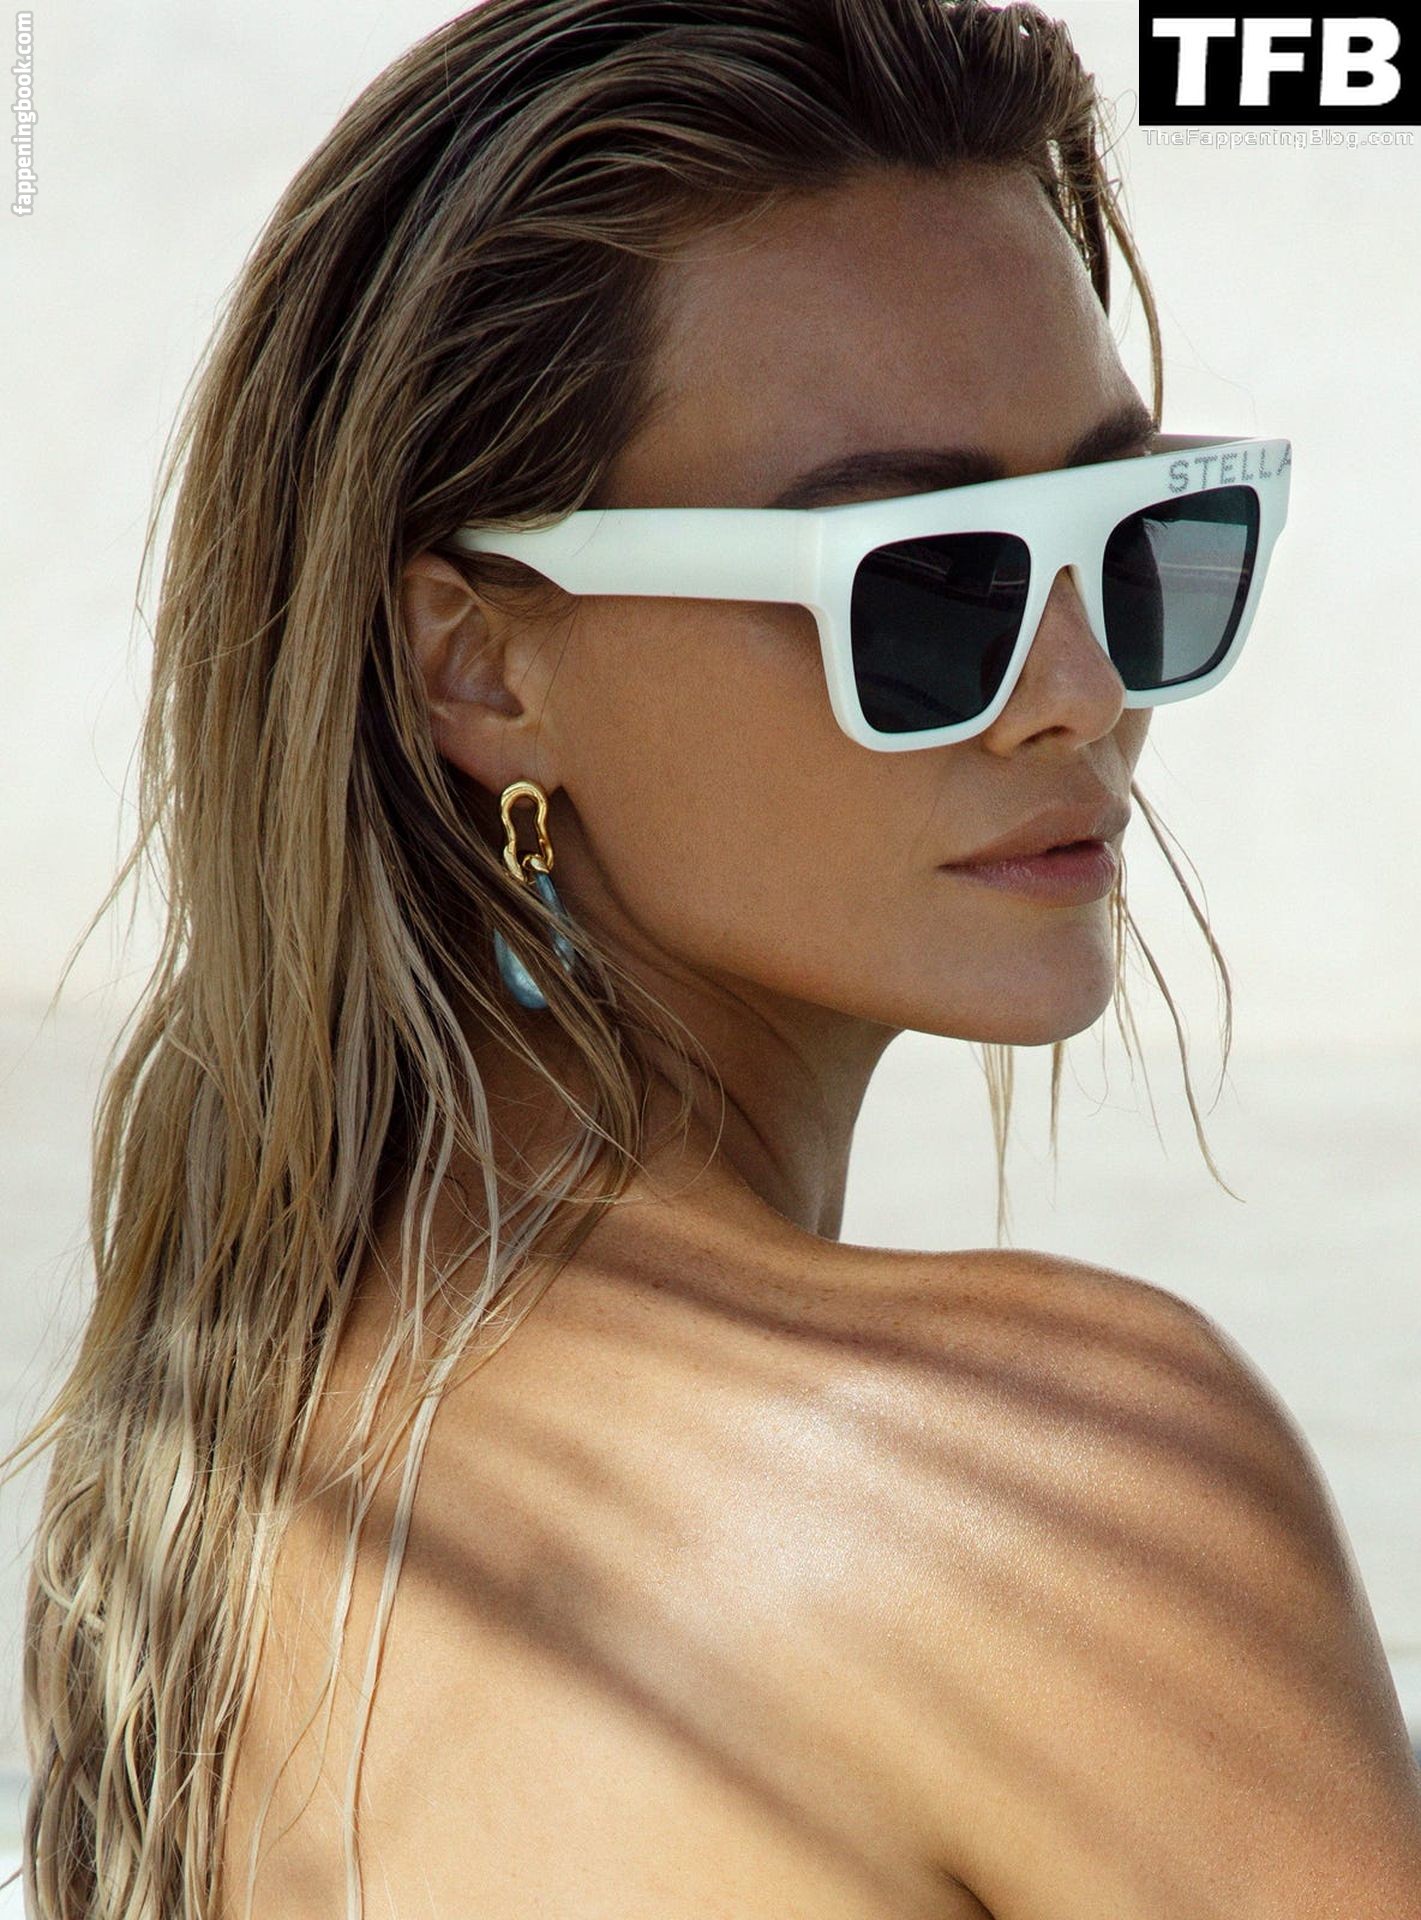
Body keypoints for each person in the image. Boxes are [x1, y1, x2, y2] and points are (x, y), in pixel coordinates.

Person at [8, 2, 1420, 1917]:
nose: (1079, 689)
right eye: (925, 584)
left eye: (1130, 530)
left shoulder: (218, 1472)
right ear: (480, 665)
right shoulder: (1046, 1487)